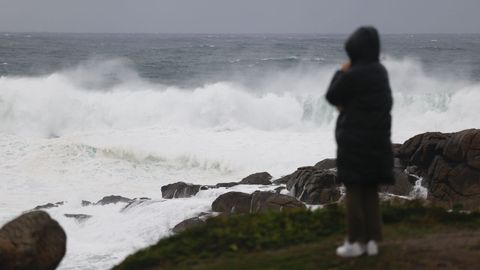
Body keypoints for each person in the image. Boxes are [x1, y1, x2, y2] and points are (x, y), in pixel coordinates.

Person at [325, 26, 394, 257]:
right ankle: (373, 241)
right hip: (378, 141)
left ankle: (355, 242)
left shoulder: (353, 74)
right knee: (370, 190)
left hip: (354, 142)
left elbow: (332, 96)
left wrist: (341, 72)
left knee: (354, 190)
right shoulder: (380, 71)